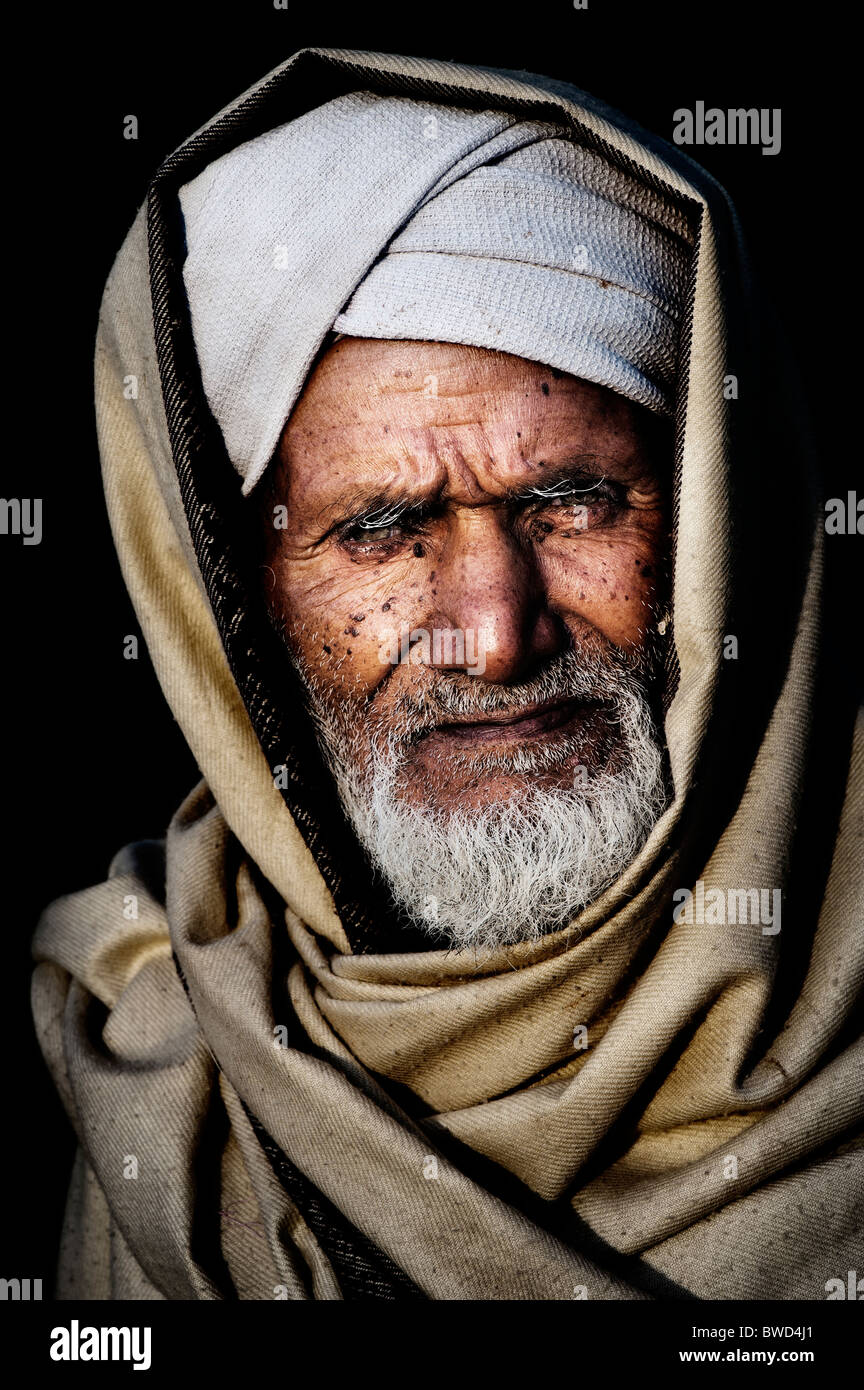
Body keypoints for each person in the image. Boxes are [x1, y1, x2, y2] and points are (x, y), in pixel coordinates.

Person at [33, 47, 862, 1301]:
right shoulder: (160, 1065)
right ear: (228, 606)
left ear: (713, 525)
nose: (493, 635)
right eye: (378, 530)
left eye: (573, 502)